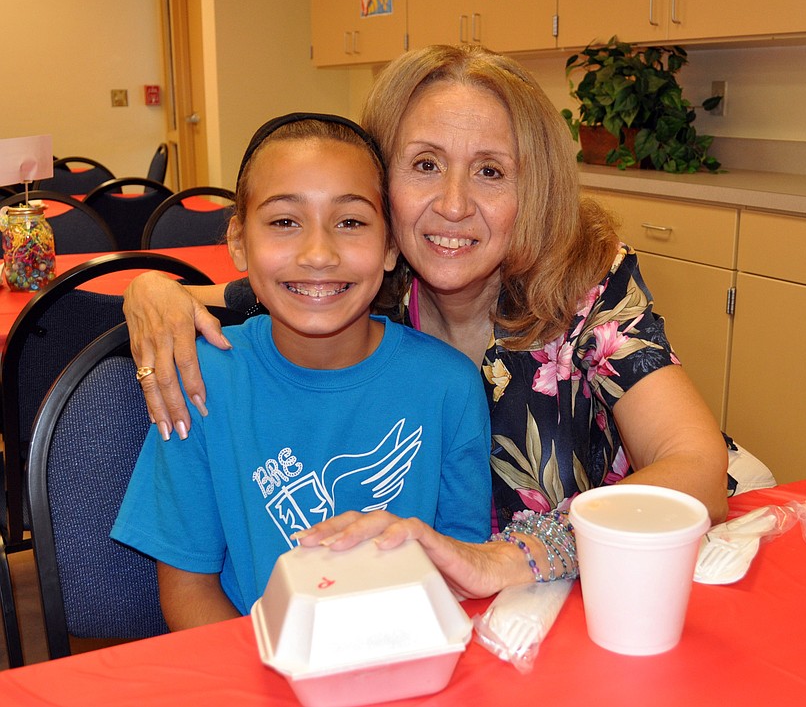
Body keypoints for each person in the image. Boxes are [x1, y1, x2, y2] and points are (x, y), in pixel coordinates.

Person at [122, 45, 729, 601]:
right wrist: (149, 290)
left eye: (491, 171)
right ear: (382, 185)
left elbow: (697, 463)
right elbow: (265, 282)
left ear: (534, 189)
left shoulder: (586, 284)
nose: (455, 204)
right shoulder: (365, 290)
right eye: (425, 164)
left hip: (599, 595)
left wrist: (515, 557)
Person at [111, 113, 492, 629]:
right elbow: (188, 588)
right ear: (240, 242)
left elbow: (463, 568)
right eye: (285, 222)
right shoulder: (201, 379)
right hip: (255, 666)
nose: (318, 254)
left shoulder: (449, 386)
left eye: (351, 222)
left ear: (390, 247)